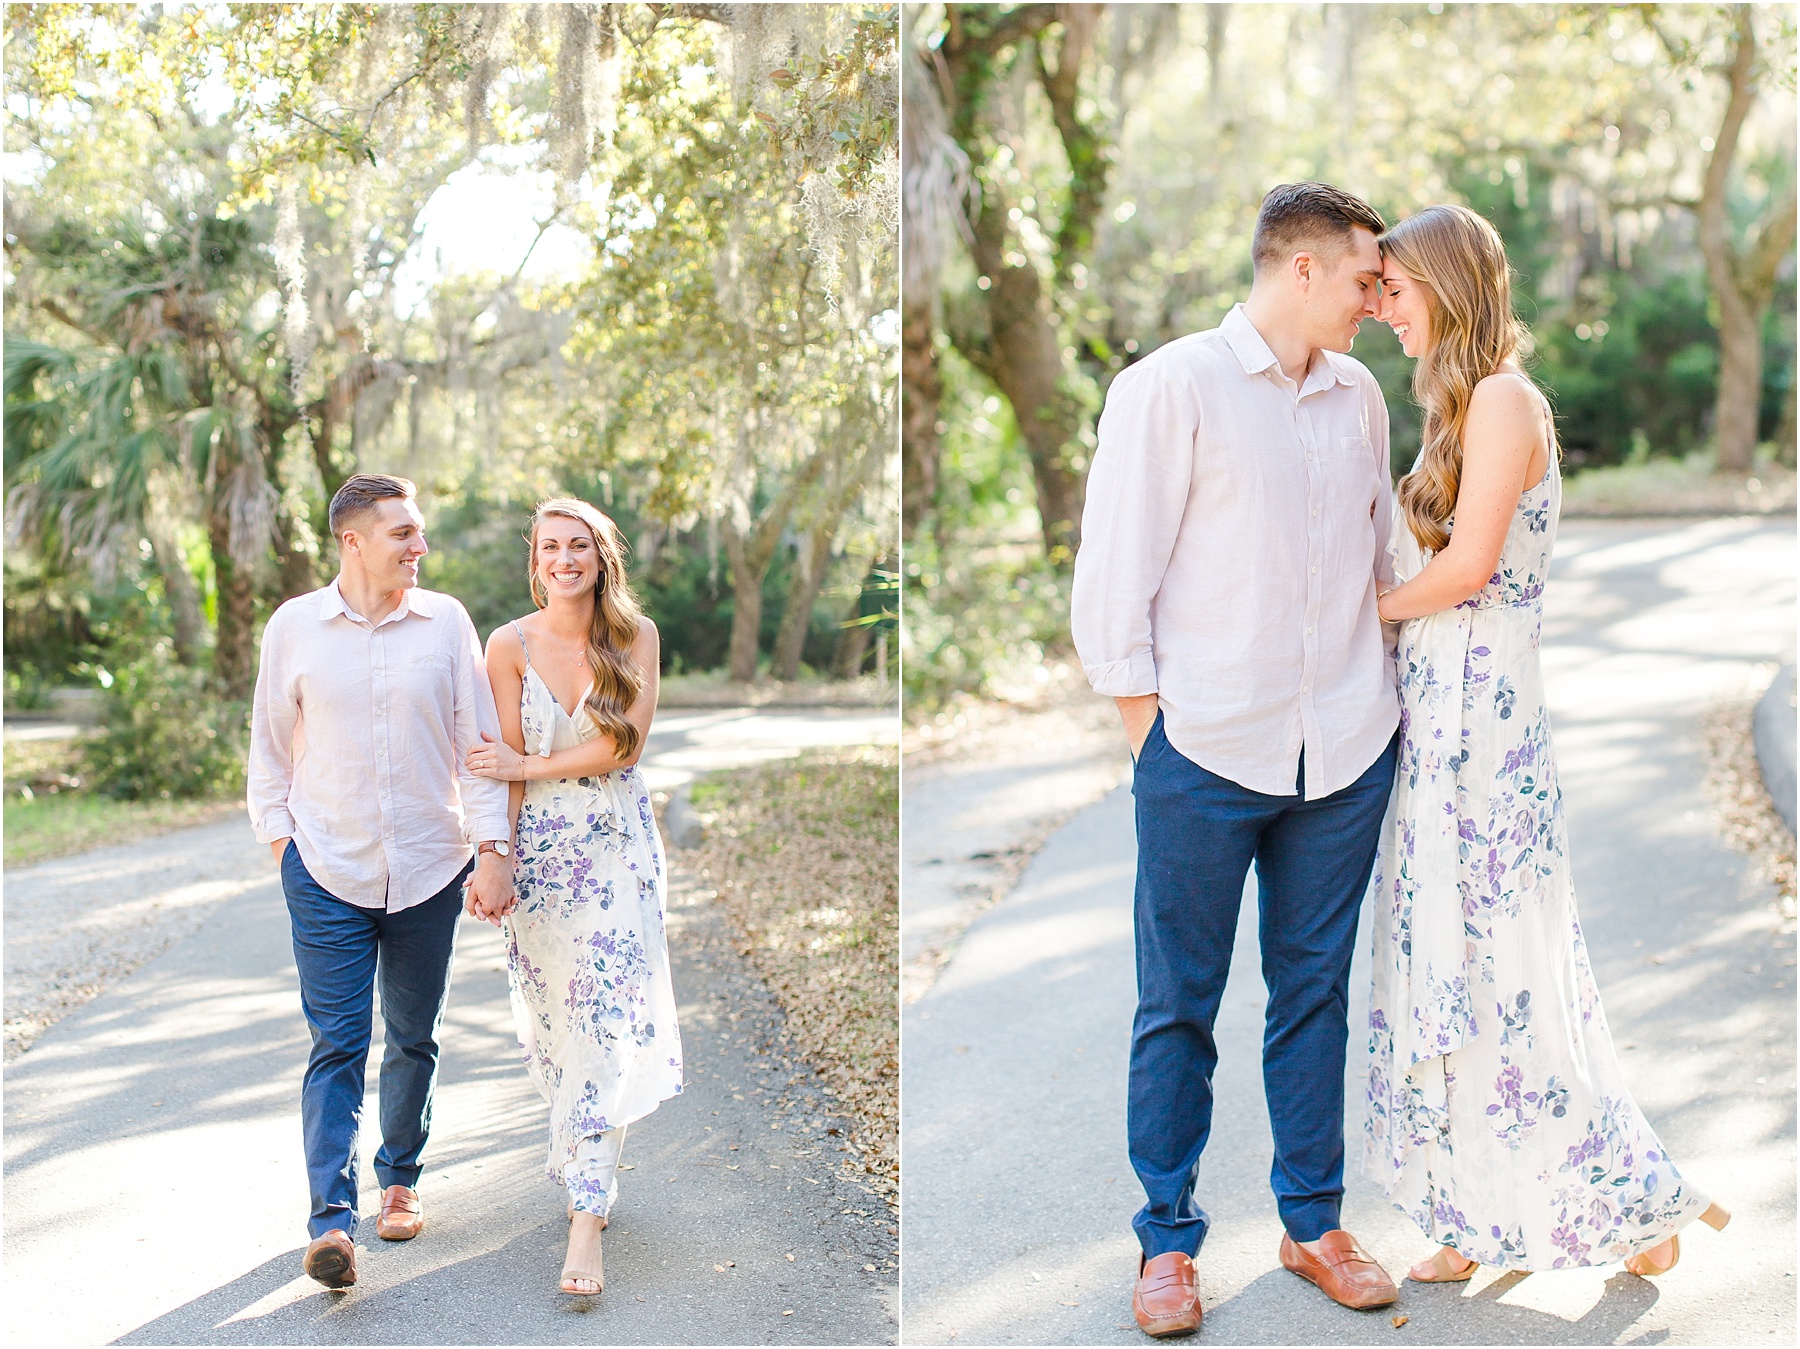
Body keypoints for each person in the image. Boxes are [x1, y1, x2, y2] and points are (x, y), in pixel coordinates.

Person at [1363, 203, 1729, 1283]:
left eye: (1395, 288)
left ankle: (1627, 1204)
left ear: (1447, 285)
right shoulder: (1457, 411)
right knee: (1450, 963)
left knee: (1505, 968)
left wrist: (1358, 610)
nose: (1382, 308)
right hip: (1441, 728)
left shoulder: (1508, 401)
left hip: (1486, 731)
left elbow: (1469, 566)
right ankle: (1479, 1212)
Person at [1071, 182, 1406, 1339]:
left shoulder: (1360, 394)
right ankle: (1167, 1241)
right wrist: (1149, 737)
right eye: (1368, 277)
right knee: (1180, 1002)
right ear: (1301, 269)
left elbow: (1384, 560)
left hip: (1346, 748)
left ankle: (1313, 1222)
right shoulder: (1170, 387)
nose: (1380, 297)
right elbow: (1113, 581)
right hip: (1203, 751)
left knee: (1313, 994)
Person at [248, 473, 516, 1289]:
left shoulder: (446, 623)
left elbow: (479, 743)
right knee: (336, 1042)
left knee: (412, 1032)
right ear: (352, 539)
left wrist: (493, 845)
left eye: (420, 532)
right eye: (403, 532)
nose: (419, 547)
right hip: (326, 867)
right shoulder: (295, 626)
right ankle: (331, 1222)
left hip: (432, 868)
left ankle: (399, 1176)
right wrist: (281, 844)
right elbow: (270, 744)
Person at [463, 497, 683, 1298]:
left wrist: (519, 769)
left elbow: (622, 744)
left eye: (579, 545)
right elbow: (499, 759)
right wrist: (495, 860)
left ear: (601, 555)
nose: (565, 559)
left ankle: (588, 1217)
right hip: (543, 863)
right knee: (559, 1026)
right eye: (551, 546)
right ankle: (579, 1157)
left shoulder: (635, 635)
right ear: (536, 557)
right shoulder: (507, 643)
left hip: (616, 851)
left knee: (604, 1023)